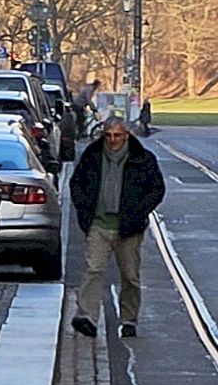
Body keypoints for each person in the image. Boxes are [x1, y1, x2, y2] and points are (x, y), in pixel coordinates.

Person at [69, 116, 167, 340]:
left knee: (130, 276)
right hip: (98, 224)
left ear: (126, 136)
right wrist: (85, 211)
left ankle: (129, 320)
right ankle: (87, 317)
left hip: (129, 228)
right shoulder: (93, 155)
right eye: (108, 135)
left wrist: (139, 211)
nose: (112, 140)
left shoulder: (142, 158)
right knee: (93, 269)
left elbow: (157, 189)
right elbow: (77, 183)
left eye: (117, 136)